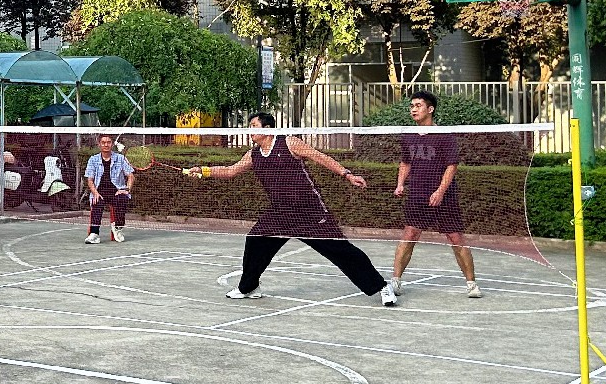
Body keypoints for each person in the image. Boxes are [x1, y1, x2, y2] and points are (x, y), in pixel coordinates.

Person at [192, 112, 396, 308]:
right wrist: (203, 171)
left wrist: (347, 174)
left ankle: (381, 287)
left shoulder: (289, 143)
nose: (250, 130)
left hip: (309, 212)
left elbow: (320, 157)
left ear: (267, 128)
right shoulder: (253, 154)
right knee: (255, 240)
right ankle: (249, 287)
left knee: (340, 251)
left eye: (254, 126)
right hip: (280, 213)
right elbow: (230, 171)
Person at [390, 90, 480, 299]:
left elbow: (452, 166)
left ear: (430, 109)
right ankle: (395, 281)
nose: (413, 109)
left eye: (418, 106)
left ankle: (472, 284)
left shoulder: (444, 135)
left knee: (455, 237)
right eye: (412, 106)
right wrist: (400, 184)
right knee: (409, 234)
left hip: (444, 196)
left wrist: (440, 191)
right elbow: (405, 162)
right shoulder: (408, 135)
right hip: (417, 194)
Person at [83, 133, 133, 245]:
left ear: (112, 144)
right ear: (99, 144)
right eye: (103, 142)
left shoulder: (120, 158)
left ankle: (118, 228)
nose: (106, 145)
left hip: (116, 191)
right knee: (96, 201)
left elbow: (131, 176)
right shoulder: (93, 159)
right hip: (99, 192)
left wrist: (126, 189)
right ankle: (94, 234)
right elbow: (90, 180)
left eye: (108, 142)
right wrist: (95, 193)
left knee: (122, 199)